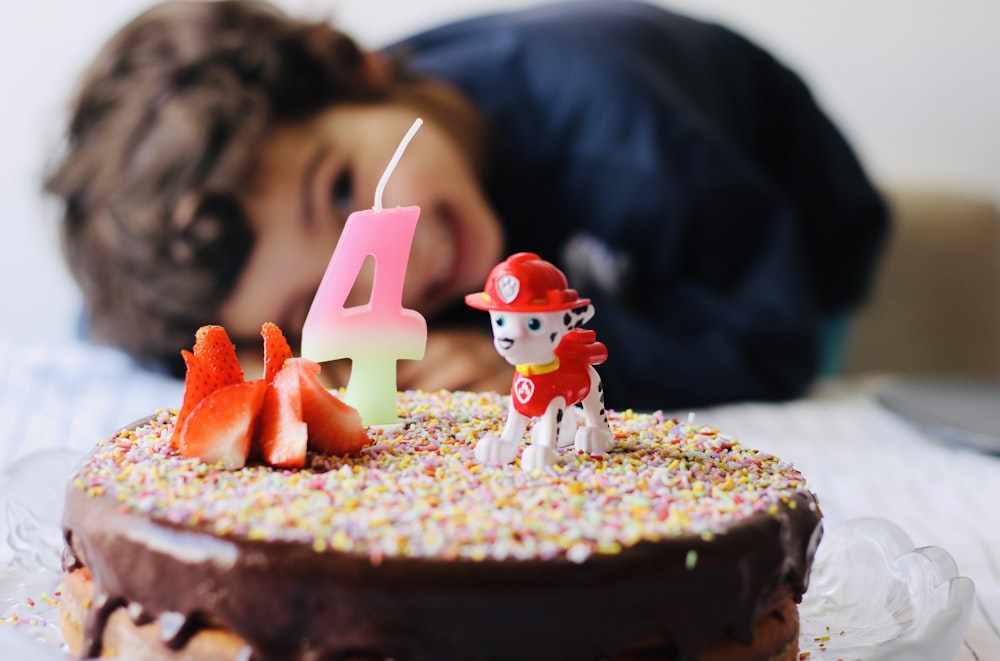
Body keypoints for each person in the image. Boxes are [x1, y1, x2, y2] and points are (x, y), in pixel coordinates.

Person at [45, 0, 888, 411]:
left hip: (791, 228)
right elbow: (125, 329)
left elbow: (772, 343)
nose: (393, 263)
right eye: (317, 298)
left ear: (357, 71)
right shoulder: (374, 148)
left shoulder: (629, 142)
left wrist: (550, 368)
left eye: (343, 194)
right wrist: (289, 357)